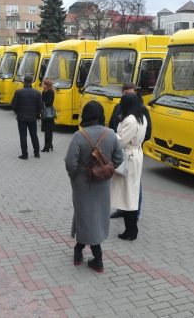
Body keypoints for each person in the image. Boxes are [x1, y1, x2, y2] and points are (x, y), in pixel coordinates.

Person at [64, 101, 124, 273]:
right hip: (103, 185)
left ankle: (96, 258)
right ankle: (80, 251)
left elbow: (70, 163)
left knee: (84, 215)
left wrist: (75, 176)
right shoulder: (111, 134)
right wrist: (105, 169)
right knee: (95, 216)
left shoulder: (79, 136)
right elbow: (119, 159)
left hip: (82, 185)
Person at [109, 83, 151, 220]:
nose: (126, 96)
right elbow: (112, 124)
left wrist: (131, 143)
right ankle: (123, 210)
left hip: (129, 153)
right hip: (123, 151)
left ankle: (133, 214)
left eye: (129, 94)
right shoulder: (119, 107)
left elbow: (147, 133)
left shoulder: (140, 113)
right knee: (124, 185)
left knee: (133, 186)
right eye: (125, 93)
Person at [111, 93, 147, 241]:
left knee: (128, 194)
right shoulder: (141, 116)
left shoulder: (131, 120)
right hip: (136, 154)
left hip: (128, 157)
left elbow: (121, 141)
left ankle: (131, 230)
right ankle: (130, 229)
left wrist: (110, 135)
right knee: (130, 192)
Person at [11, 75, 42, 159]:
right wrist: (36, 114)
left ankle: (24, 154)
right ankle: (36, 153)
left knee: (23, 136)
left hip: (21, 118)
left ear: (24, 82)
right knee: (34, 135)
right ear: (32, 82)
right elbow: (40, 106)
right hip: (32, 118)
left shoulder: (18, 92)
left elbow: (13, 105)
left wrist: (18, 112)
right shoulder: (37, 93)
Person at [41, 78, 55, 152]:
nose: (42, 85)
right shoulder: (45, 91)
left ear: (47, 85)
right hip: (46, 113)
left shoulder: (50, 92)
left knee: (48, 130)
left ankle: (47, 146)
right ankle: (49, 145)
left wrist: (42, 103)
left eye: (43, 83)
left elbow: (49, 102)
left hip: (48, 113)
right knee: (48, 130)